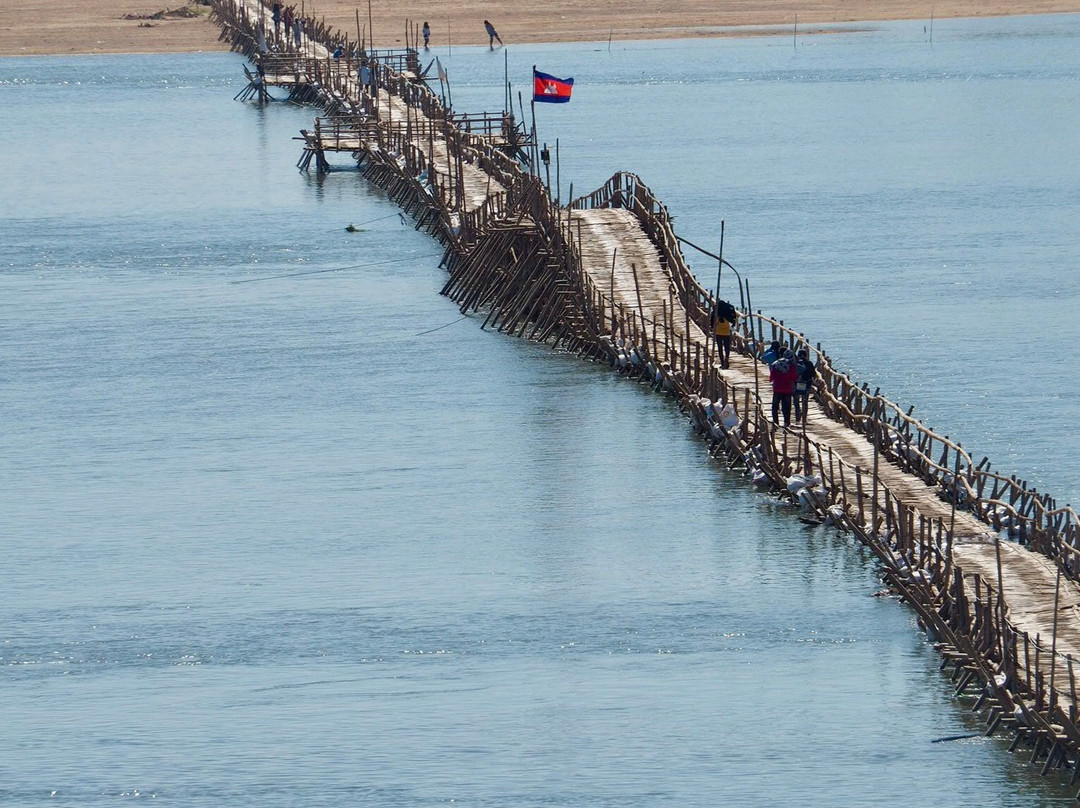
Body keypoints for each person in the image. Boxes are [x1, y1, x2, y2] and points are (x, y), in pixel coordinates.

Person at [769, 349, 798, 427]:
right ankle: (786, 422)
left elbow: (771, 378)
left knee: (775, 406)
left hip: (777, 388)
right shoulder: (791, 365)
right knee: (787, 406)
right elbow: (794, 377)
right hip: (788, 388)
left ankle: (775, 422)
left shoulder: (775, 364)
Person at [710, 300, 738, 369]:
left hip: (718, 332)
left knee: (720, 348)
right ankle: (727, 358)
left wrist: (712, 327)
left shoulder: (716, 312)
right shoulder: (727, 314)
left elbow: (712, 320)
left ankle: (722, 362)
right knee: (727, 347)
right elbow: (733, 319)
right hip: (726, 332)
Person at [793, 348, 816, 423]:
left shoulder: (795, 363)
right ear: (805, 355)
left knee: (796, 402)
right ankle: (804, 419)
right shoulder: (809, 363)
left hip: (796, 384)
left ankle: (797, 418)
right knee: (805, 402)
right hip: (806, 384)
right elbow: (813, 374)